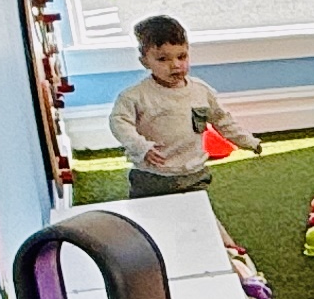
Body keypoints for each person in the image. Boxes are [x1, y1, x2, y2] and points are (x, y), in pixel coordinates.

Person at [110, 13, 257, 197]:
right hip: (152, 175)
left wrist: (248, 141)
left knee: (196, 215)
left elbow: (222, 120)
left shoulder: (200, 91)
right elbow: (119, 123)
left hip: (193, 174)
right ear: (145, 61)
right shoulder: (135, 96)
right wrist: (141, 146)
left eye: (182, 56)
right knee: (149, 218)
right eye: (163, 59)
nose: (175, 65)